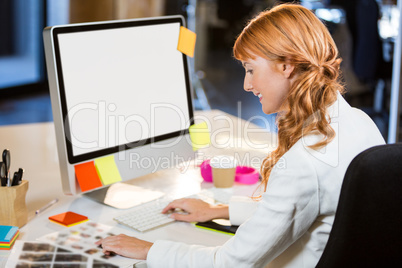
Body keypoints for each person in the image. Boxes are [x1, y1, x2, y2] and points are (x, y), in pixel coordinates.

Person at [96, 3, 385, 267]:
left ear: (285, 66)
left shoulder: (306, 161)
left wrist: (150, 250)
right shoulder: (358, 121)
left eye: (251, 70)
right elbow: (296, 212)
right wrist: (218, 210)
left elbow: (231, 263)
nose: (247, 85)